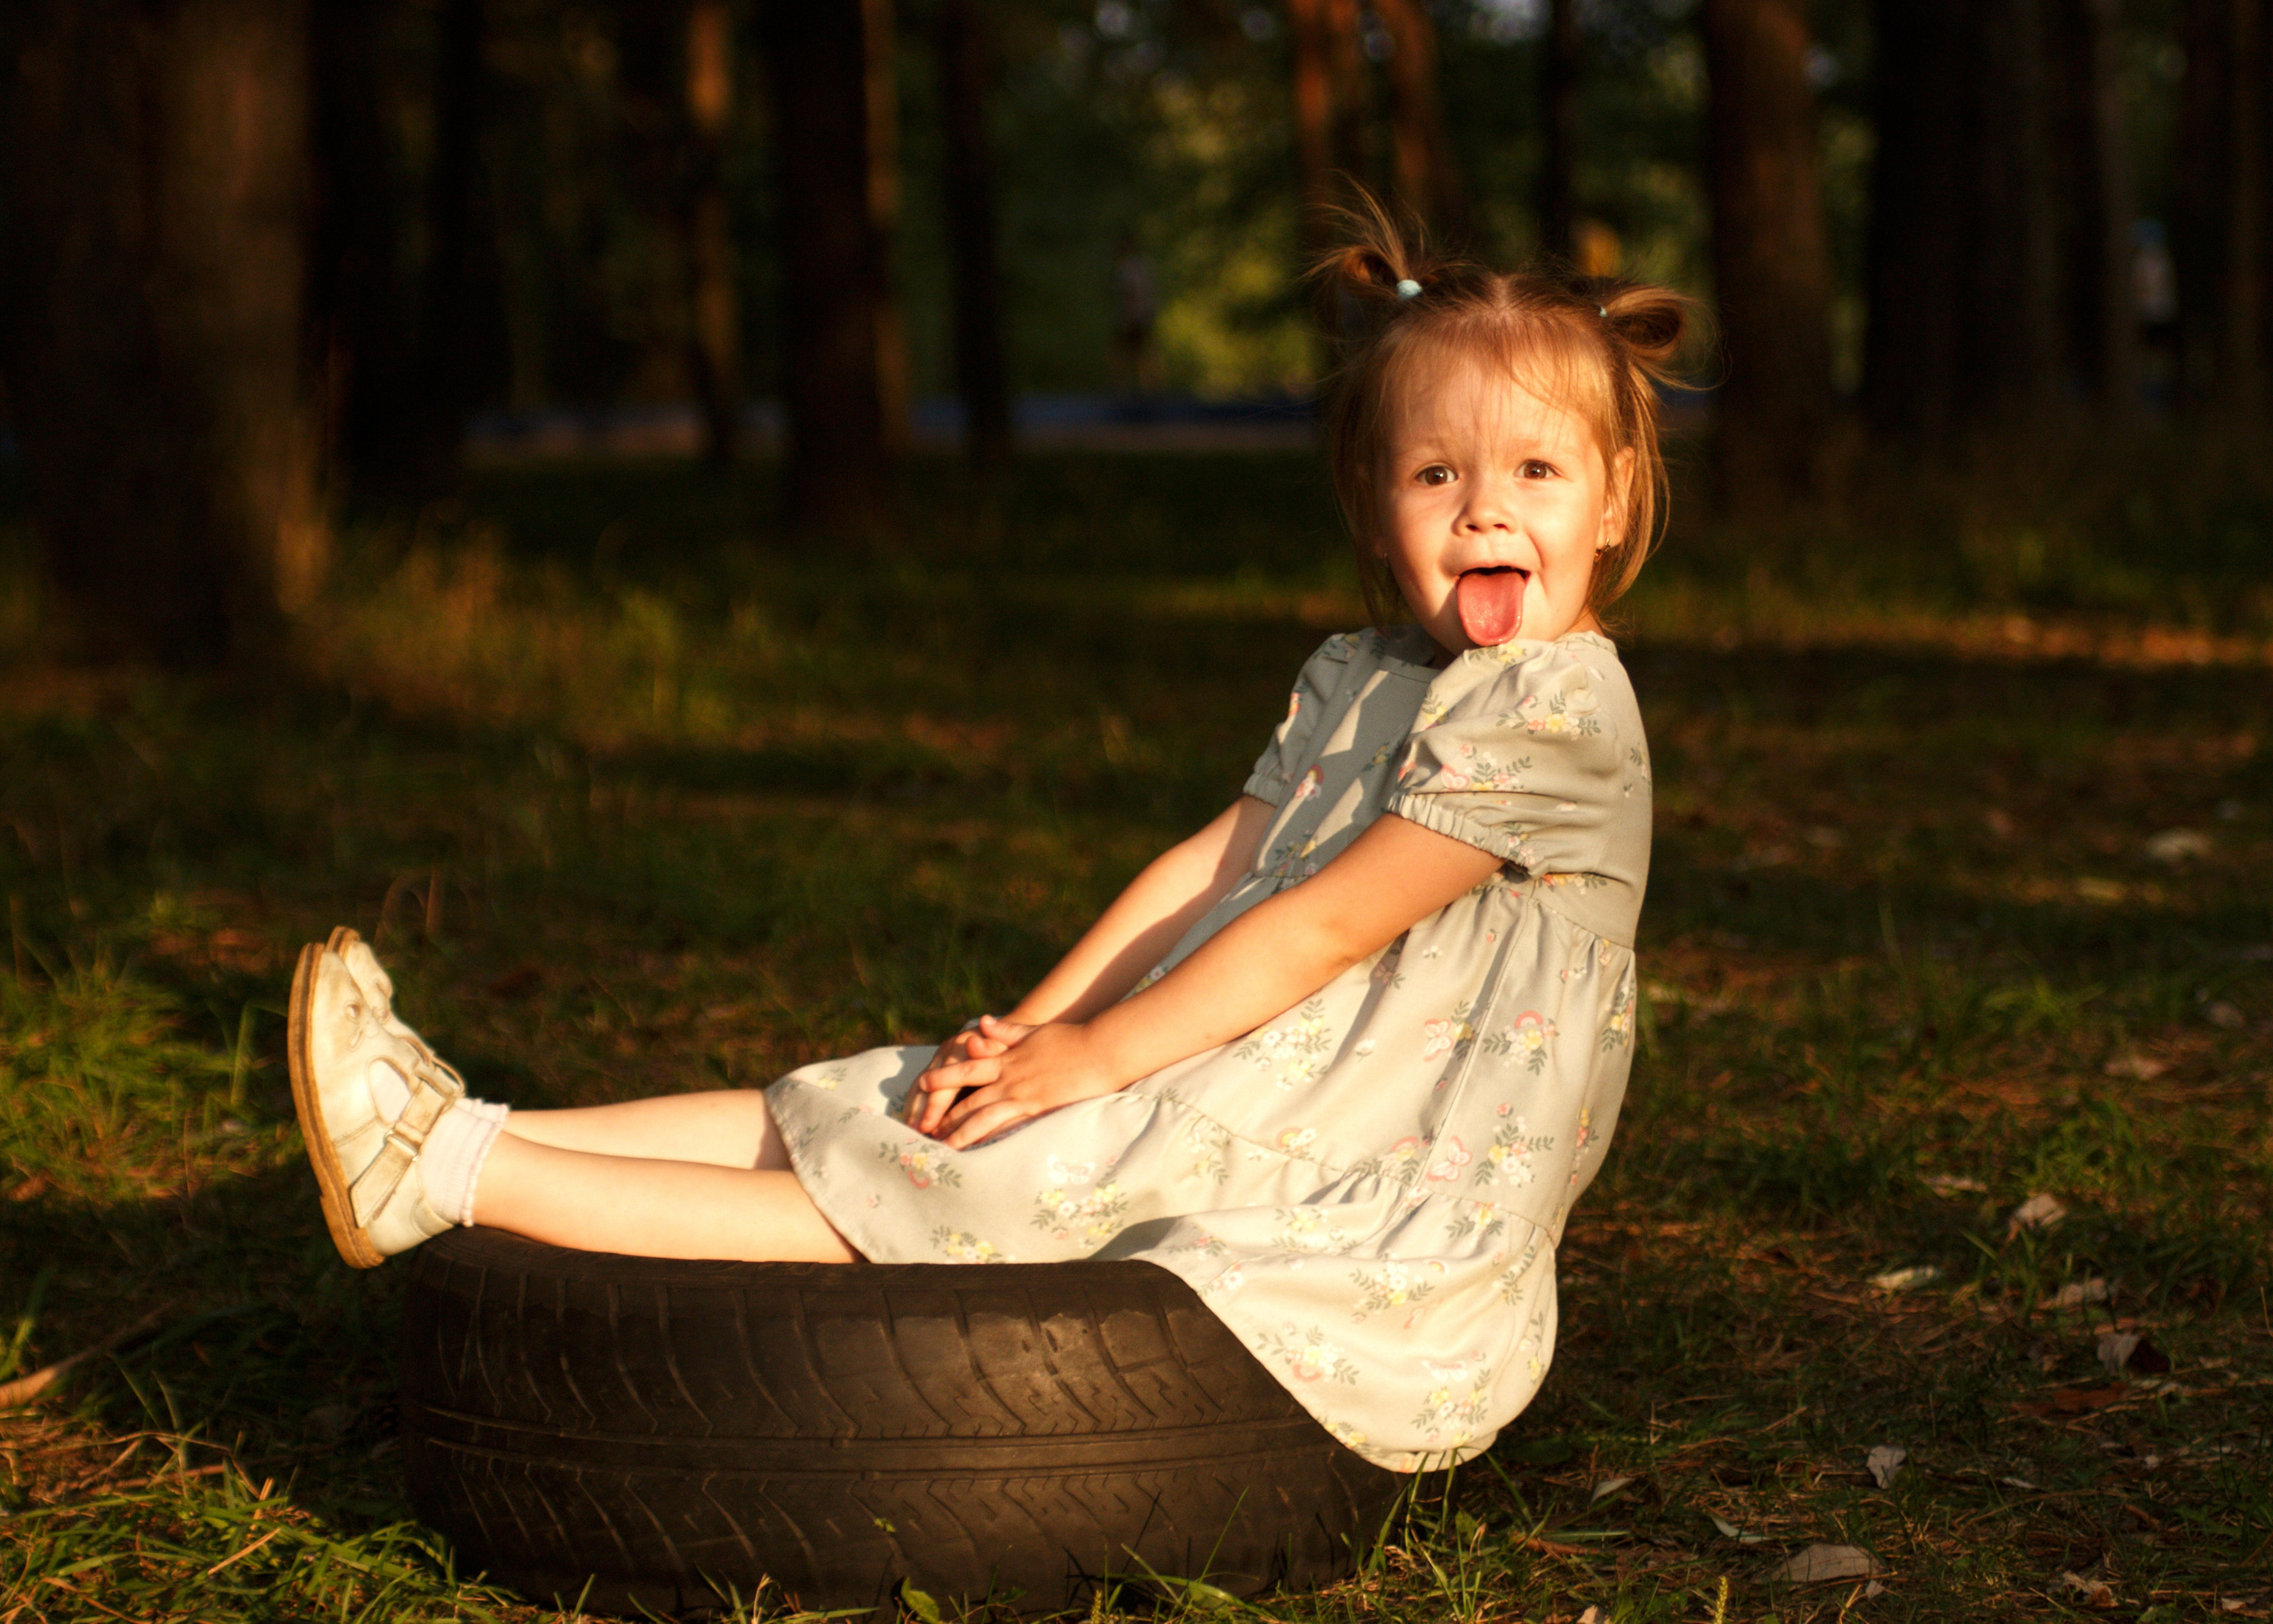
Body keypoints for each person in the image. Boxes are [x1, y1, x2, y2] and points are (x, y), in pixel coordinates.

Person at [289, 206, 1688, 1472]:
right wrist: (1030, 1032)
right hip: (1231, 1074)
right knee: (880, 1104)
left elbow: (1326, 921)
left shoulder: (1558, 713)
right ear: (1380, 516)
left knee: (955, 1189)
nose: (1487, 508)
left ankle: (450, 1174)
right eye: (1438, 473)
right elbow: (1209, 868)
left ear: (1614, 502)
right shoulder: (1367, 671)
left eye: (1537, 472)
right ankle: (470, 1121)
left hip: (1361, 1177)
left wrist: (1096, 1057)